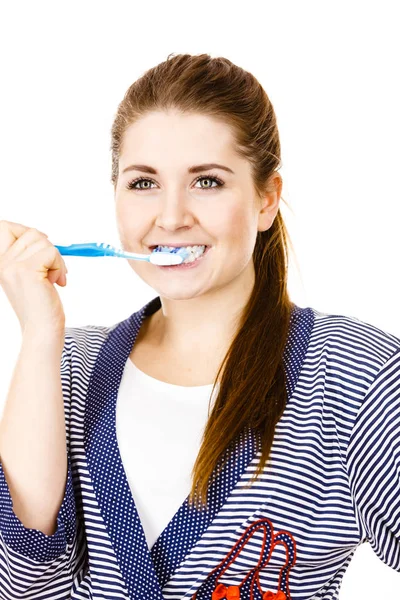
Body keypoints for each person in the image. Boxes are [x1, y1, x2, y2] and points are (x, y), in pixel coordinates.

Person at [0, 53, 399, 600]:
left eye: (207, 181)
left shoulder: (357, 372)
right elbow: (22, 585)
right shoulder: (70, 363)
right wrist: (40, 334)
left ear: (266, 199)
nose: (170, 217)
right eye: (143, 184)